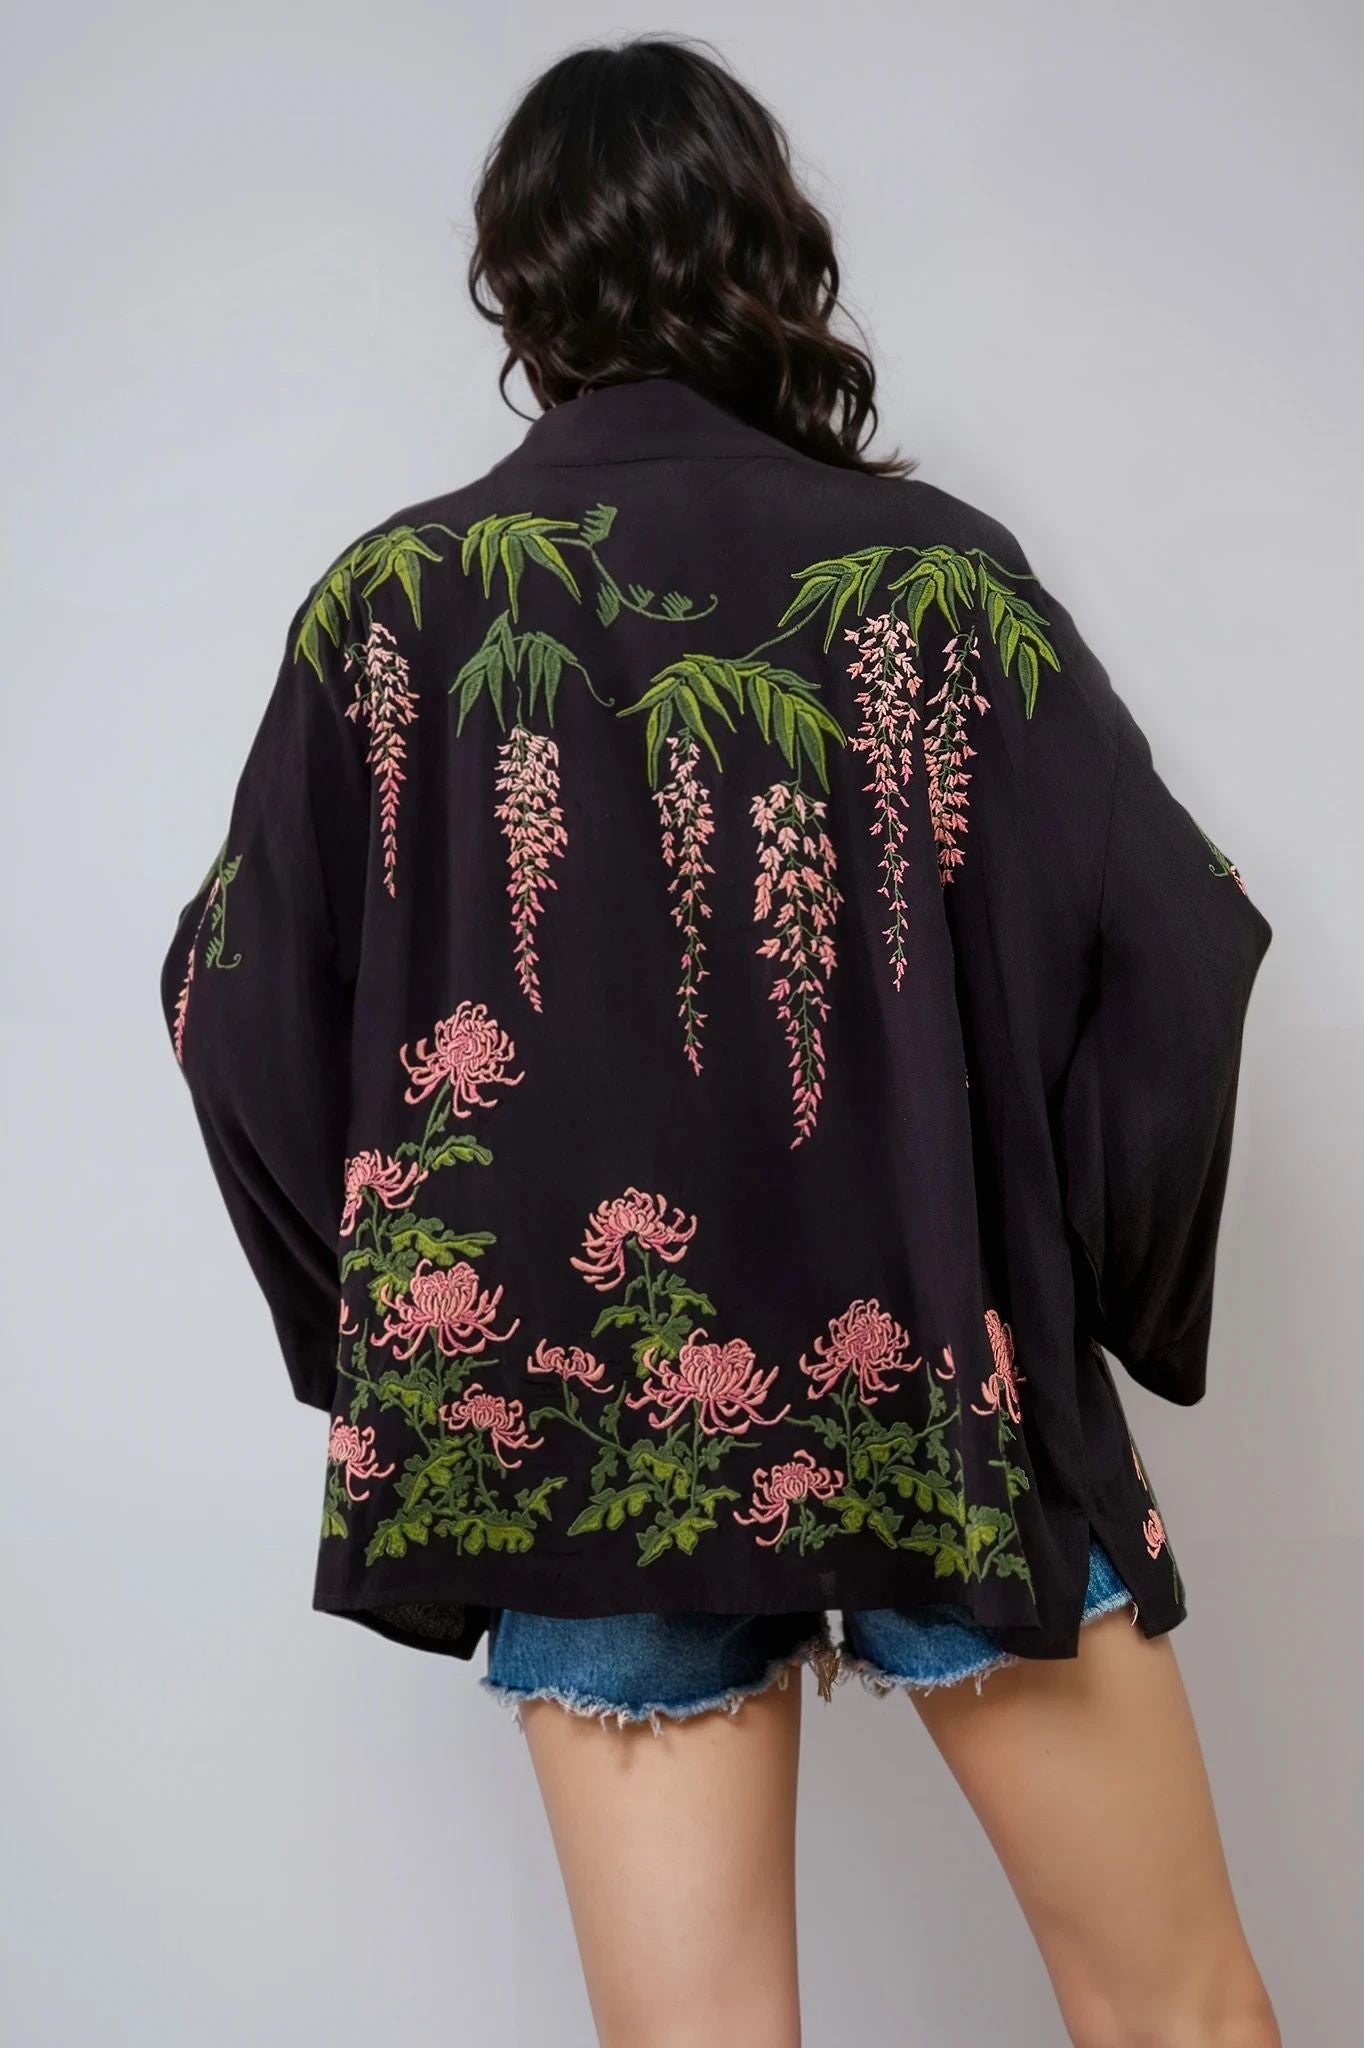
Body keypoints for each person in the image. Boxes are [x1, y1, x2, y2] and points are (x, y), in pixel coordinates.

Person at [159, 37, 1279, 2048]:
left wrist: (418, 1346)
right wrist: (1073, 1278)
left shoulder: (391, 609)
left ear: (523, 280)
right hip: (937, 1387)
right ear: (771, 249)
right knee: (1177, 2010)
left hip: (583, 1417)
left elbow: (227, 1001)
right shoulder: (931, 584)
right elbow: (1177, 949)